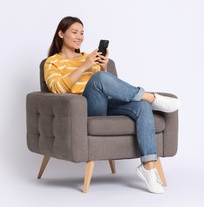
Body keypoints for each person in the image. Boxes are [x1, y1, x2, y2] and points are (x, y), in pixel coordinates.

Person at [44, 16, 180, 194]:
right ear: (61, 34)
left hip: (105, 103)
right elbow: (57, 89)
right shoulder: (52, 62)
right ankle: (151, 97)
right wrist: (85, 67)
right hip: (82, 109)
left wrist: (103, 68)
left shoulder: (89, 57)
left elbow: (110, 88)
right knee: (101, 79)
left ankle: (148, 167)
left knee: (142, 107)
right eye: (74, 32)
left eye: (82, 33)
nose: (79, 37)